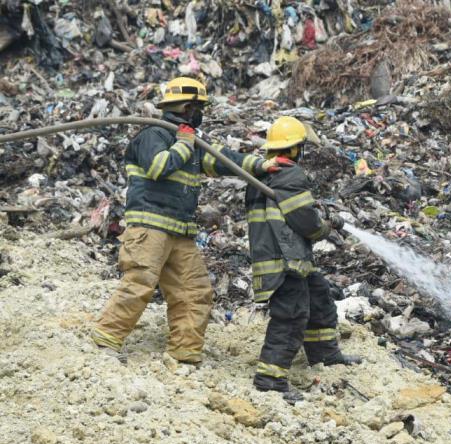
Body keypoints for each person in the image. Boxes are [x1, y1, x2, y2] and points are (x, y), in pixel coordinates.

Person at [92, 77, 282, 364]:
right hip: (150, 227)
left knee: (194, 291)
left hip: (180, 231)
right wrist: (183, 142)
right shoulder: (154, 134)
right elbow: (158, 167)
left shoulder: (191, 142)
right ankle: (104, 342)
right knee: (139, 284)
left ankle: (185, 352)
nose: (198, 112)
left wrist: (261, 165)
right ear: (182, 106)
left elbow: (222, 160)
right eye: (195, 106)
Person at [247, 116, 361, 404]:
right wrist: (326, 226)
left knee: (319, 295)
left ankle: (324, 354)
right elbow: (306, 222)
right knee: (291, 315)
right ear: (295, 148)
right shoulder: (291, 175)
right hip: (284, 260)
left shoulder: (263, 174)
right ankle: (270, 378)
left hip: (285, 256)